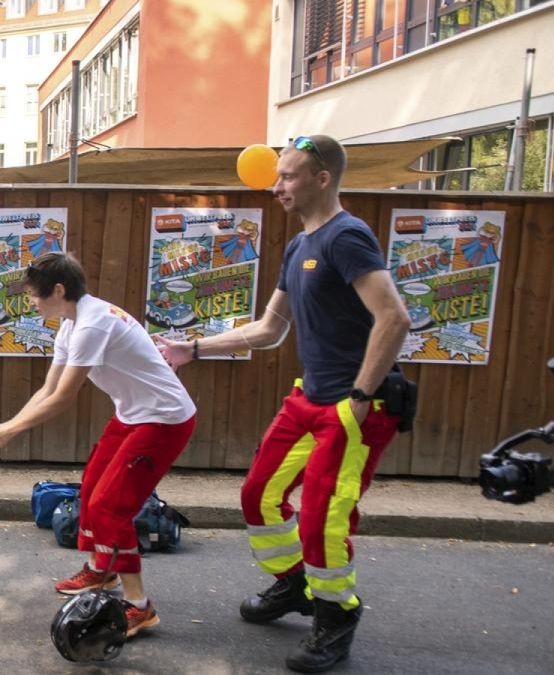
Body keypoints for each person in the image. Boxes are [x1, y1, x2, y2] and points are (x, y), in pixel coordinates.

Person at [157, 135, 409, 673]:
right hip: (308, 399)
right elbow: (271, 328)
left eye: (288, 176)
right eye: (277, 176)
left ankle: (337, 615)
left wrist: (361, 397)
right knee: (259, 495)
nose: (277, 188)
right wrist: (192, 348)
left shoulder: (347, 237)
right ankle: (295, 584)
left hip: (355, 408)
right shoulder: (299, 246)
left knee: (322, 516)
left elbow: (394, 317)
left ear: (322, 179)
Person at [0, 252, 197, 639]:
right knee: (91, 489)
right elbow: (48, 388)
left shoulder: (92, 325)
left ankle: (140, 607)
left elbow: (63, 398)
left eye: (35, 295)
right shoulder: (71, 325)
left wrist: (12, 432)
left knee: (110, 506)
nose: (32, 302)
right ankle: (101, 572)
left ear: (58, 290)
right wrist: (8, 424)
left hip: (164, 419)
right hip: (134, 414)